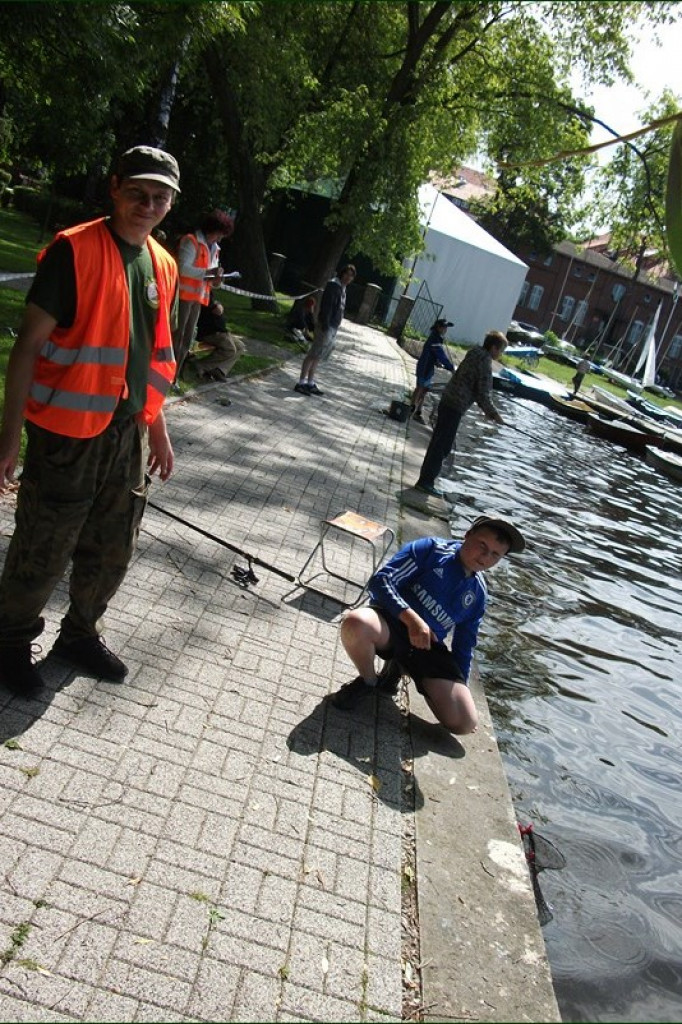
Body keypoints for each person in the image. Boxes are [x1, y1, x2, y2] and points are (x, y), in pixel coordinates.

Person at [0, 145, 180, 699]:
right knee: (44, 545)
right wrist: (9, 439)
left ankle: (79, 634)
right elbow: (26, 346)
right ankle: (7, 642)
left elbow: (152, 355)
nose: (147, 205)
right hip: (64, 436)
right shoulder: (73, 252)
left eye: (160, 197)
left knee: (112, 546)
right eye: (137, 193)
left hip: (124, 434)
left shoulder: (163, 264)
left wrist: (156, 427)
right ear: (114, 188)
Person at [331, 514, 526, 732]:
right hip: (390, 624)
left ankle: (396, 671)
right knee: (355, 622)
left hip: (426, 646)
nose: (485, 557)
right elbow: (380, 581)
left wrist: (460, 686)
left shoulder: (478, 595)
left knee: (464, 722)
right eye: (482, 545)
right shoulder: (431, 549)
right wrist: (412, 619)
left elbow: (464, 645)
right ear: (467, 535)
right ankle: (368, 682)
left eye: (495, 555)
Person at [415, 330, 507, 497]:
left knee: (437, 442)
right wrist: (495, 415)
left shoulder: (474, 352)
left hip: (447, 400)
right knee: (443, 446)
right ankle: (426, 482)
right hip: (456, 405)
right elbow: (484, 393)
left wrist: (486, 408)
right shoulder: (485, 362)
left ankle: (425, 479)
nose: (500, 355)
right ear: (493, 348)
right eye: (501, 350)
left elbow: (475, 387)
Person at [173, 209, 234, 383]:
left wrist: (217, 279)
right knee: (177, 336)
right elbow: (183, 268)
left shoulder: (215, 248)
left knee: (187, 339)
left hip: (199, 299)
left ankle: (175, 376)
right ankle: (167, 373)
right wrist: (208, 272)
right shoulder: (191, 241)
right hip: (183, 296)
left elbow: (211, 279)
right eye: (219, 234)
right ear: (212, 229)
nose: (221, 238)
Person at [294, 264, 356, 396]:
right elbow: (327, 307)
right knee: (313, 353)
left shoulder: (342, 288)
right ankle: (301, 382)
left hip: (333, 326)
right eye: (347, 274)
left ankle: (310, 383)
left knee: (318, 356)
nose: (348, 277)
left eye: (351, 275)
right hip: (326, 326)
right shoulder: (334, 286)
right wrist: (325, 325)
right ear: (342, 273)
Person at [194, 297, 246, 387]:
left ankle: (219, 370)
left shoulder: (210, 294)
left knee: (240, 346)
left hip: (222, 332)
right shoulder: (204, 296)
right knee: (230, 349)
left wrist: (218, 305)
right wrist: (218, 305)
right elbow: (217, 310)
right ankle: (201, 365)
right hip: (210, 333)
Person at [411, 317, 455, 422]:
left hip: (428, 367)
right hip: (424, 367)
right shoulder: (435, 339)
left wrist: (436, 362)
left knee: (424, 390)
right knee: (420, 388)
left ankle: (418, 411)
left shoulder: (436, 338)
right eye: (444, 327)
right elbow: (441, 355)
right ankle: (411, 409)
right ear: (438, 328)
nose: (446, 330)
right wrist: (450, 367)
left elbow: (433, 354)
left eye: (446, 328)